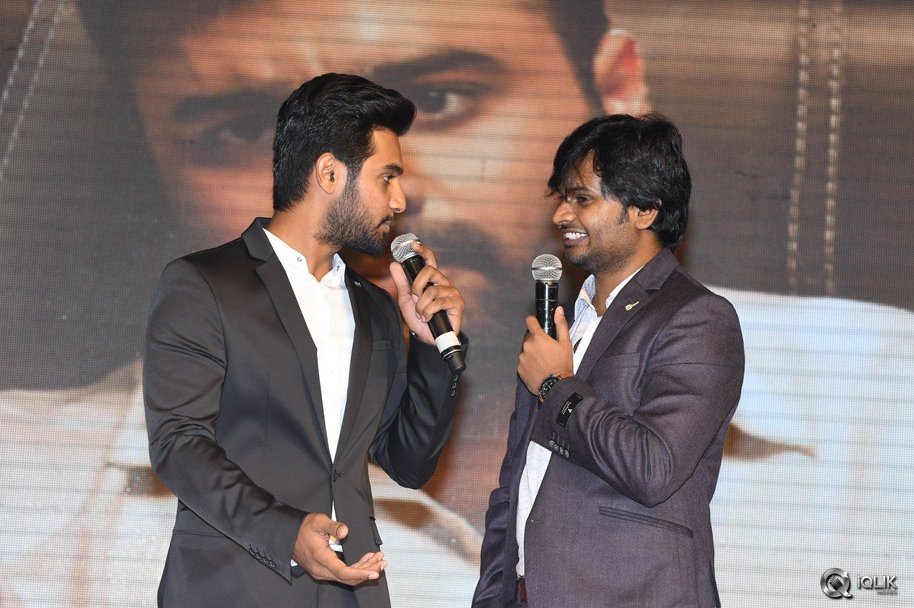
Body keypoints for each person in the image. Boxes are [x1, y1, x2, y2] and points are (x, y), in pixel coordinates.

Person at [142, 73, 466, 607]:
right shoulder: (205, 284)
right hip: (237, 589)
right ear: (330, 173)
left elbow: (408, 463)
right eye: (387, 177)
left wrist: (431, 349)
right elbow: (178, 444)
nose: (400, 199)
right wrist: (285, 532)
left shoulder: (377, 307)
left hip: (353, 592)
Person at [473, 114, 745, 607]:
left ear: (644, 209)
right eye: (561, 197)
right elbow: (514, 482)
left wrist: (555, 386)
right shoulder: (561, 322)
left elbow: (652, 466)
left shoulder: (698, 317)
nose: (561, 215)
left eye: (582, 198)